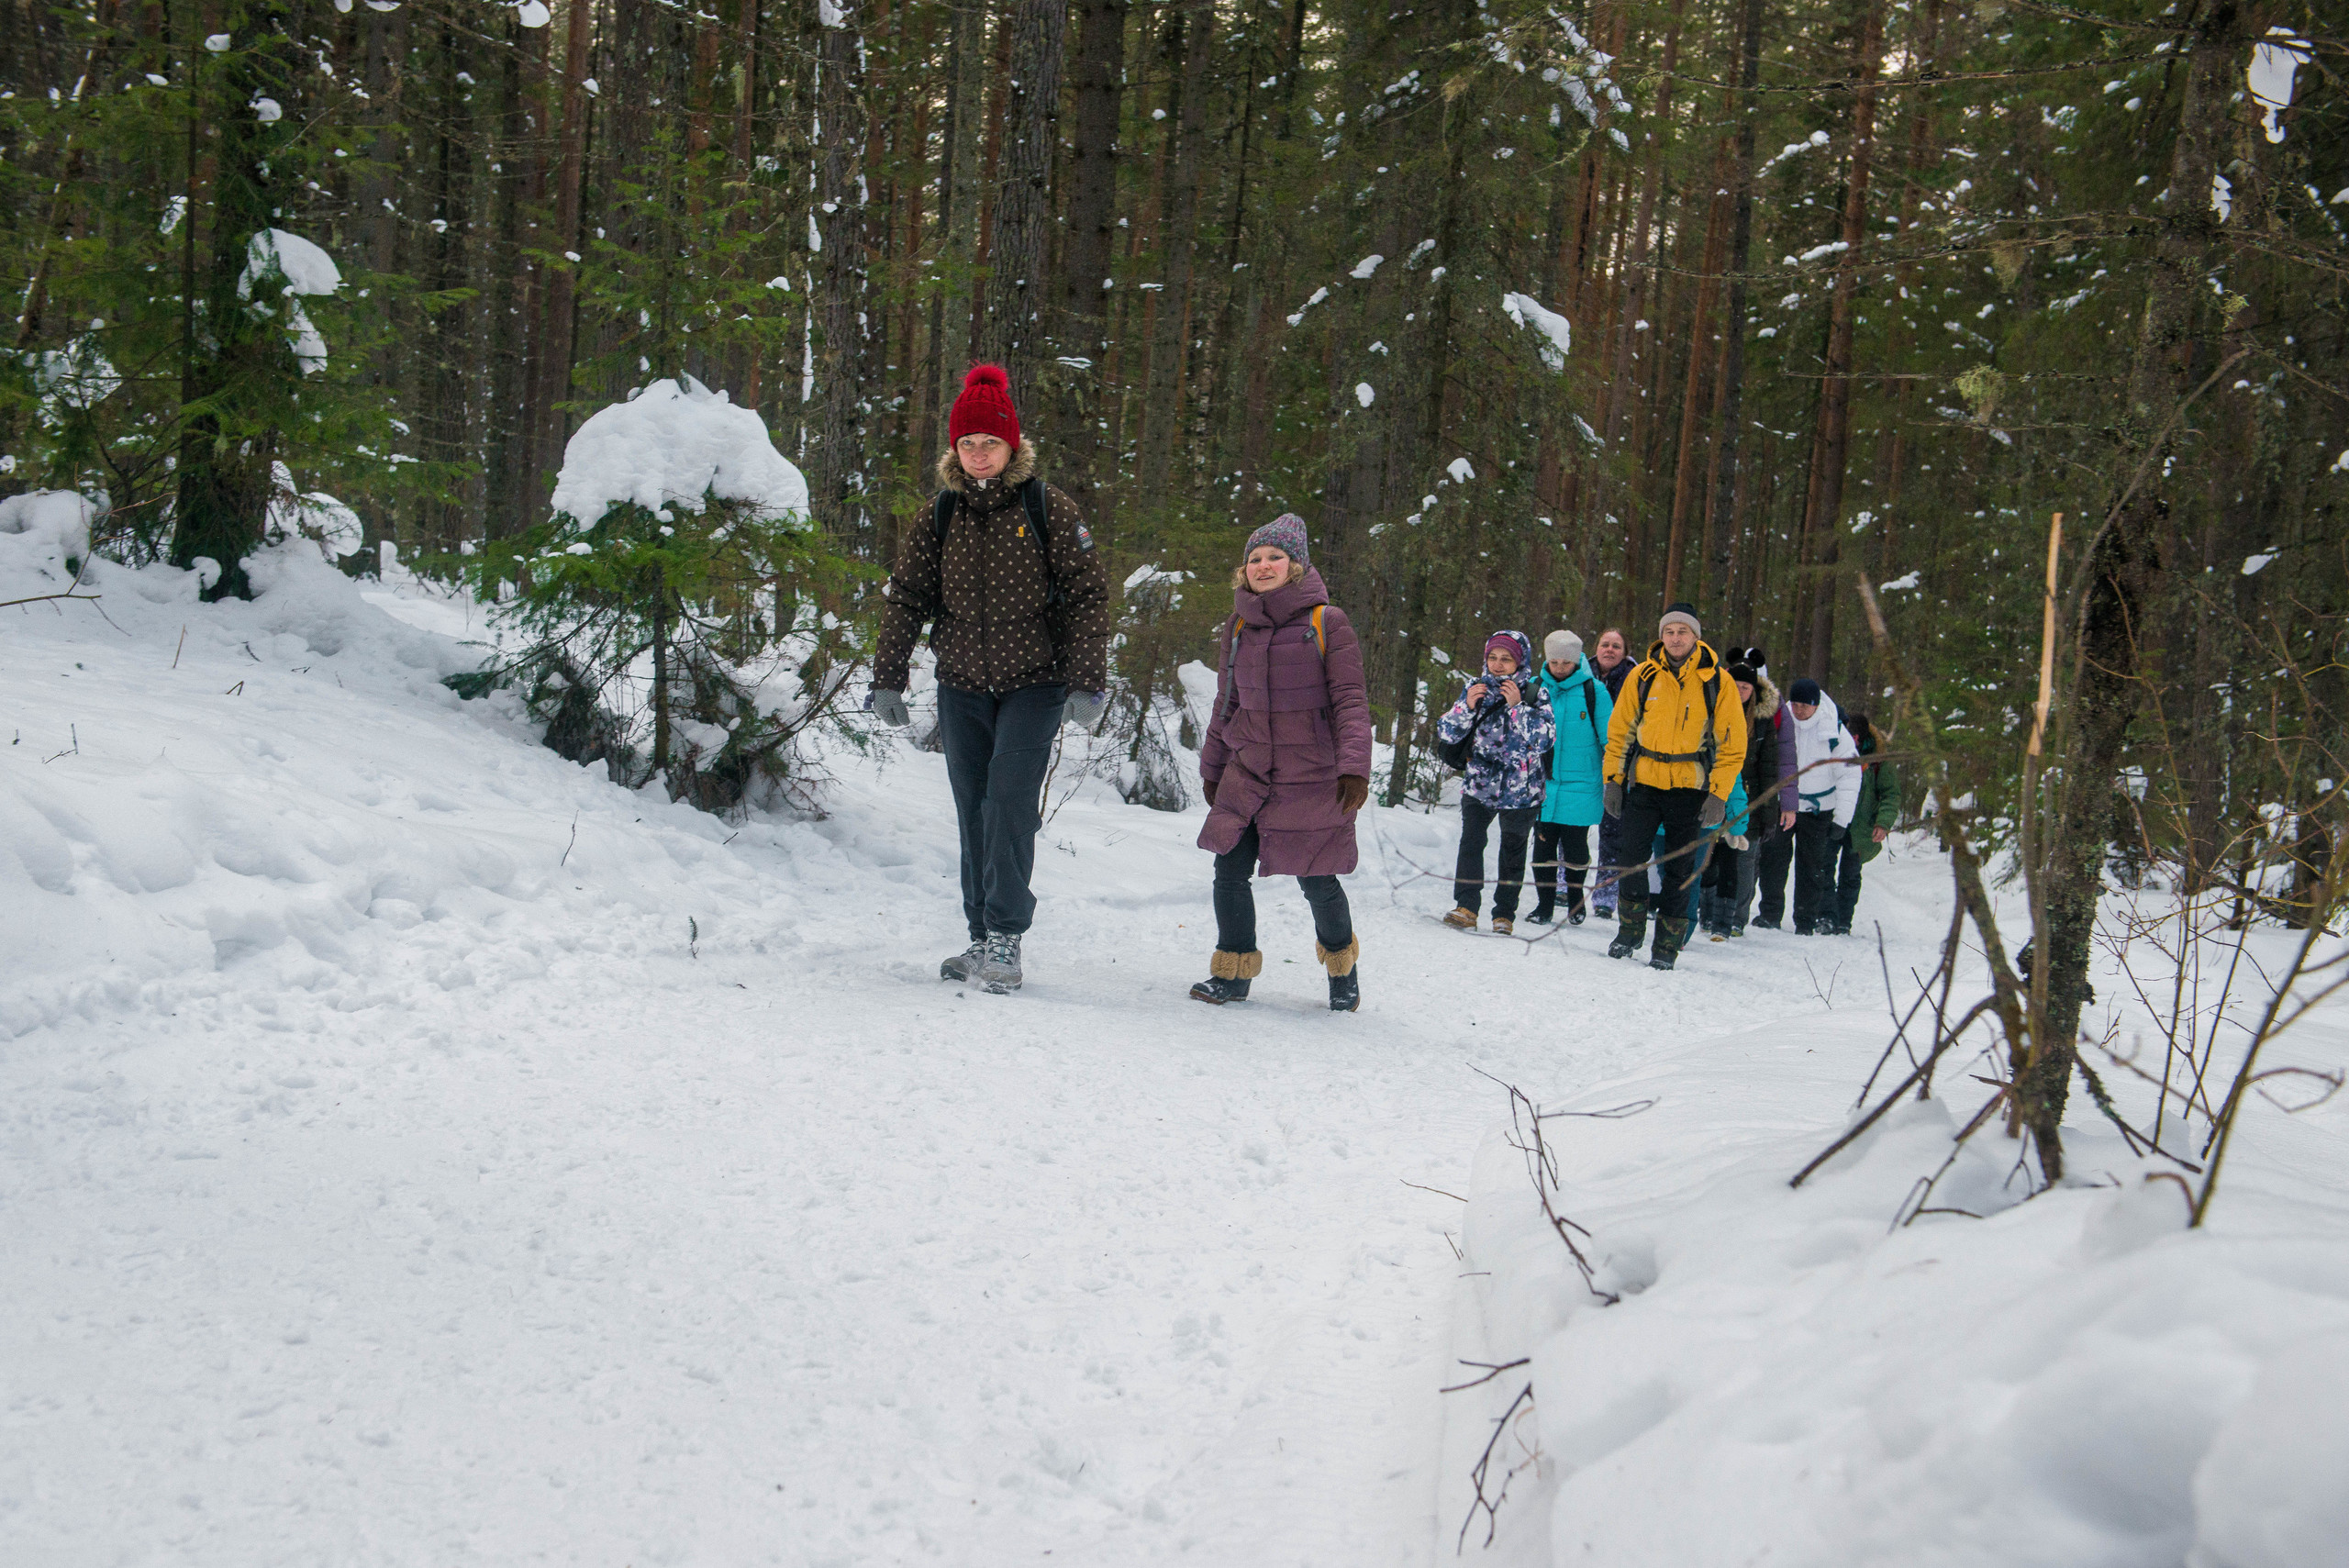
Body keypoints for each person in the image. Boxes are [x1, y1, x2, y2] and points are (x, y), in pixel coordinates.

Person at [870, 364, 1112, 994]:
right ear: (956, 449)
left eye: (991, 442)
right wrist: (888, 677)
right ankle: (979, 935)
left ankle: (1007, 936)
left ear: (1013, 447)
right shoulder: (940, 513)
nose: (979, 453)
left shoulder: (1048, 507)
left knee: (1007, 803)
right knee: (972, 808)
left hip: (1036, 682)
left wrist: (1088, 679)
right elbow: (907, 597)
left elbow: (1087, 593)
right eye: (968, 443)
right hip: (962, 686)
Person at [1192, 516, 1373, 1011]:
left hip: (1311, 775)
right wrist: (1213, 767)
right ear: (1243, 571)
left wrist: (1354, 767)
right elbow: (1226, 702)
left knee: (1317, 878)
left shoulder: (1326, 622)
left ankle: (1342, 971)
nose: (1264, 565)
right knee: (1228, 868)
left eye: (1275, 557)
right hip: (1248, 768)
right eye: (1255, 558)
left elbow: (1350, 699)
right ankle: (1233, 972)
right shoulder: (1238, 625)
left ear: (1296, 567)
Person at [1599, 603, 1748, 970]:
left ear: (1695, 636)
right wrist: (1613, 781)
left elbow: (1732, 745)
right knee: (1631, 859)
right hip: (1645, 783)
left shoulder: (1717, 682)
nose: (1676, 638)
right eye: (1670, 631)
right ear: (1661, 636)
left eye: (1683, 631)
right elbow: (1620, 733)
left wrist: (1719, 793)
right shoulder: (1644, 675)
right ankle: (1629, 931)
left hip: (1690, 787)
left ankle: (1667, 945)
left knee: (1681, 871)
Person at [1436, 629, 1555, 934]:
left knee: (1513, 850)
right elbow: (1447, 734)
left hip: (1522, 790)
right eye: (1493, 657)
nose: (1498, 665)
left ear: (1520, 662)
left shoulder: (1535, 693)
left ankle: (1504, 914)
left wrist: (1518, 708)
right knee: (1471, 843)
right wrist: (1467, 708)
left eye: (1506, 659)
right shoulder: (1473, 688)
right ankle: (1466, 906)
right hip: (1480, 783)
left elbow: (1545, 740)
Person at [1531, 630, 1612, 925]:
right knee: (1542, 848)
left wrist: (1614, 777)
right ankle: (1544, 906)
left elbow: (1610, 739)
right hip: (1541, 782)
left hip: (1582, 783)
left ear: (1577, 660)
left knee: (1576, 848)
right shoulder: (1534, 688)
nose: (1560, 667)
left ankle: (1576, 901)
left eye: (1566, 662)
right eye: (1554, 661)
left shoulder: (1595, 692)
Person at [1698, 661, 1781, 938]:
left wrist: (1769, 807)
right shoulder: (1711, 710)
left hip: (1750, 796)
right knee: (1708, 857)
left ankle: (1736, 918)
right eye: (1735, 686)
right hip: (1714, 789)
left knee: (1741, 860)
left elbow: (1770, 766)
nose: (1740, 691)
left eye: (1745, 687)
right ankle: (1707, 913)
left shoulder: (1762, 722)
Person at [1785, 677, 1863, 935]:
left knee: (1812, 867)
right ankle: (1769, 915)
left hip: (1820, 810)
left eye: (1803, 706)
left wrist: (1842, 819)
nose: (1798, 710)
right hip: (1785, 804)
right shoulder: (1783, 722)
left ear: (1816, 705)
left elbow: (1850, 776)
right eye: (1794, 704)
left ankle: (1805, 921)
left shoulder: (1835, 731)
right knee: (1773, 862)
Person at [1736, 646, 1801, 929]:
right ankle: (1714, 910)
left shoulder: (1775, 710)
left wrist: (1787, 803)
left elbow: (1784, 759)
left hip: (1756, 791)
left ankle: (1741, 914)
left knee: (1750, 857)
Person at [1827, 710, 1900, 935]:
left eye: (1857, 736)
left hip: (1861, 826)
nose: (1854, 740)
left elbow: (1890, 794)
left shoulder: (1878, 760)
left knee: (1850, 873)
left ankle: (1842, 921)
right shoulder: (1834, 751)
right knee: (1823, 868)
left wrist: (1883, 823)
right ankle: (1825, 916)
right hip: (1833, 819)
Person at [1586, 627, 1634, 917]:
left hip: (1618, 764)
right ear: (1596, 648)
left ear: (1625, 652)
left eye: (1616, 645)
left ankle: (1605, 895)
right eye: (1605, 644)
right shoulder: (1581, 675)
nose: (1610, 649)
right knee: (1574, 826)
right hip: (1583, 762)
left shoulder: (1635, 678)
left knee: (1613, 831)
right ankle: (1565, 886)